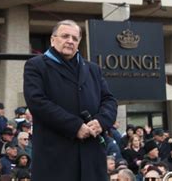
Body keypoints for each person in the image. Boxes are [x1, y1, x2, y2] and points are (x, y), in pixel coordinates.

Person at [23, 20, 118, 181]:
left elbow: (109, 100)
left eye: (74, 38)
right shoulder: (36, 66)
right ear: (53, 39)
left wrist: (101, 121)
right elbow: (37, 102)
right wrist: (75, 126)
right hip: (55, 159)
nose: (70, 41)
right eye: (65, 36)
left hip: (91, 157)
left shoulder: (92, 69)